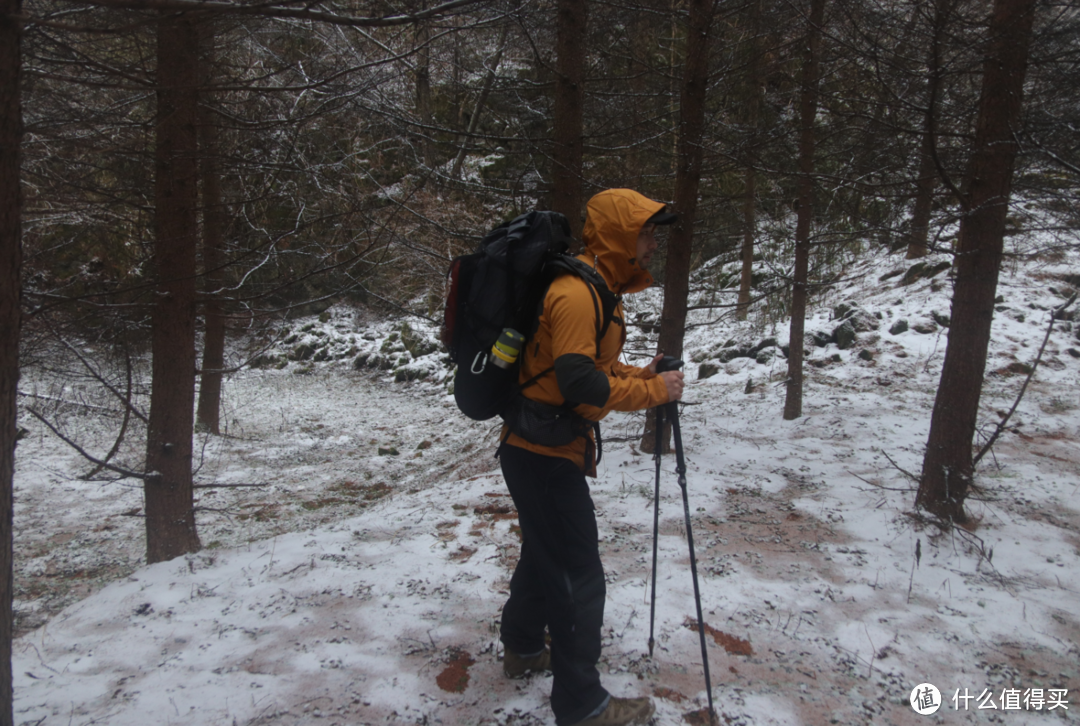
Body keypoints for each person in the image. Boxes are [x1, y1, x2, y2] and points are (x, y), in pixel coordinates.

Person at [497, 189, 684, 726]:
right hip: (542, 455)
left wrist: (643, 376)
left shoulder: (598, 288)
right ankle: (582, 704)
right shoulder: (578, 293)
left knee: (543, 550)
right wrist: (654, 394)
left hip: (541, 448)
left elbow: (591, 367)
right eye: (647, 232)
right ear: (620, 235)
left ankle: (525, 648)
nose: (652, 244)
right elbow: (579, 384)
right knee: (578, 573)